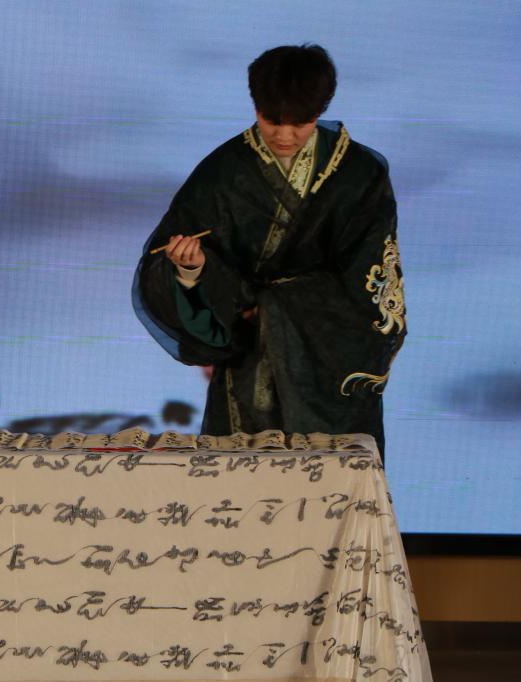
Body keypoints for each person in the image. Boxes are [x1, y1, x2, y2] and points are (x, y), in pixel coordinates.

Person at [134, 45, 405, 455]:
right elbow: (163, 262)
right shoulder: (222, 173)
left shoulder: (359, 175)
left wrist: (276, 307)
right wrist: (192, 271)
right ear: (255, 107)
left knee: (331, 480)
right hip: (249, 361)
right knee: (245, 478)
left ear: (321, 111)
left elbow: (369, 279)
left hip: (329, 364)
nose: (284, 136)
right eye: (271, 121)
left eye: (300, 123)